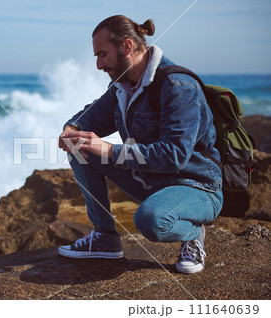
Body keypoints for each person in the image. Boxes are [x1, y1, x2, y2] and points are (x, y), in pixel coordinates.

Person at [57, 15, 223, 274]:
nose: (99, 65)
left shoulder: (178, 87)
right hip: (152, 182)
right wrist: (72, 129)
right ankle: (106, 238)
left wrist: (110, 151)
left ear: (126, 46)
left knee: (150, 220)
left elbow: (174, 155)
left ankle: (193, 231)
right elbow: (92, 116)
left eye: (102, 55)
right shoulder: (123, 85)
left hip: (196, 187)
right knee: (80, 147)